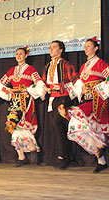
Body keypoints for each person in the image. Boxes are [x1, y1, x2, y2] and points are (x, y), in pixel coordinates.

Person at [0, 47, 46, 167]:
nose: (19, 56)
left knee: (24, 124)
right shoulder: (11, 71)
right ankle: (21, 156)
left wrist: (30, 89)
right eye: (17, 54)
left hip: (26, 100)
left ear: (26, 56)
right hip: (15, 101)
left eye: (21, 54)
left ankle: (32, 149)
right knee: (12, 124)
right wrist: (8, 90)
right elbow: (1, 84)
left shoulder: (31, 69)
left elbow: (39, 82)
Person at [67, 38, 109, 173]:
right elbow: (80, 82)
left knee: (95, 126)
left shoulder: (101, 64)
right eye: (85, 46)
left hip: (98, 100)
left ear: (96, 48)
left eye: (89, 46)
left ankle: (101, 157)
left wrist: (98, 87)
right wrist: (82, 88)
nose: (86, 48)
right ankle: (100, 156)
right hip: (86, 98)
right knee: (80, 124)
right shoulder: (83, 66)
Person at [42, 41, 79, 169]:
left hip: (63, 97)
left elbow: (74, 80)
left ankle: (64, 156)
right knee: (54, 127)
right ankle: (61, 154)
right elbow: (43, 81)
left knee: (58, 124)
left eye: (54, 47)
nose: (51, 49)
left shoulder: (65, 64)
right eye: (50, 47)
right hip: (52, 98)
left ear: (61, 50)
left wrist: (61, 87)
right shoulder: (48, 66)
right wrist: (45, 88)